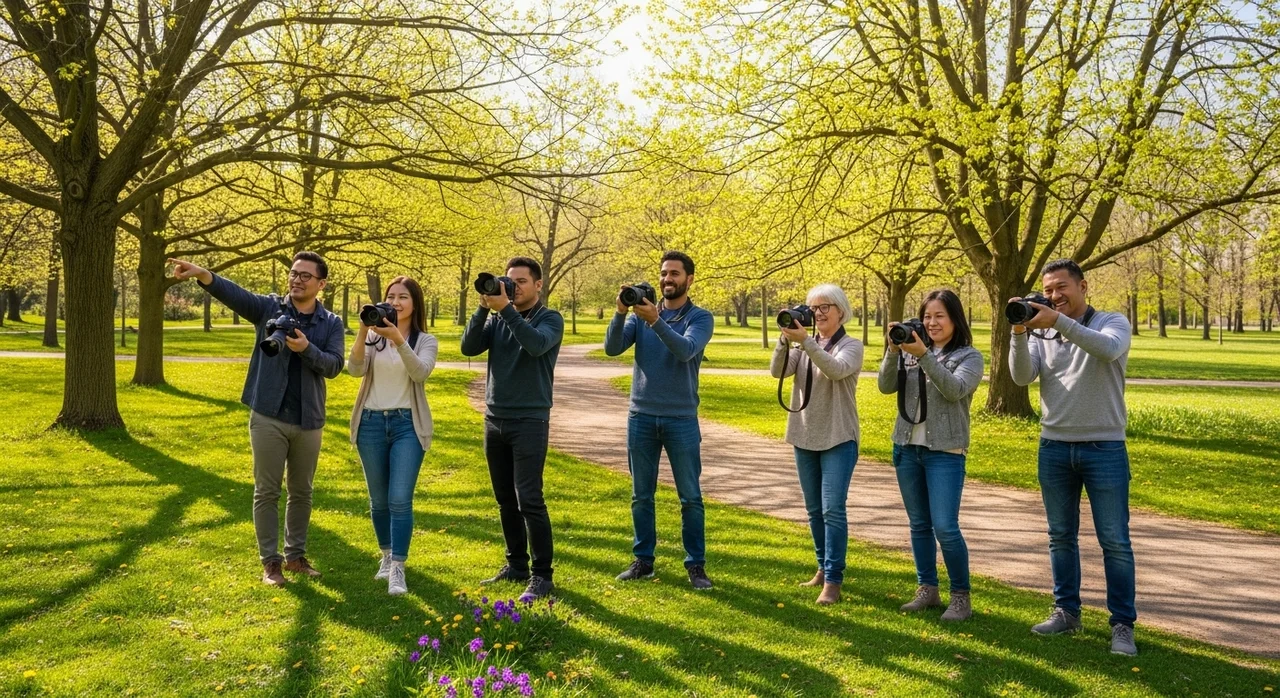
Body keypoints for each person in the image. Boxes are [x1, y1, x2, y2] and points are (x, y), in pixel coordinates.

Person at [168, 253, 345, 586]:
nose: (296, 280)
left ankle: (295, 557)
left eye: (306, 276)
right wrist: (203, 274)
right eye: (293, 273)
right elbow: (235, 294)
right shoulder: (269, 309)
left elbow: (334, 366)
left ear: (321, 284)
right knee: (266, 491)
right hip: (268, 415)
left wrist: (306, 348)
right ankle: (271, 563)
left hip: (309, 420)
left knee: (302, 492)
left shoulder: (331, 323)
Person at [1010, 259, 1138, 656]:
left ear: (1083, 286)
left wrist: (1057, 322)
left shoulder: (1111, 322)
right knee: (1059, 536)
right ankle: (1066, 612)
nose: (1054, 296)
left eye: (1061, 287)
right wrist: (1019, 331)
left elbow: (1108, 349)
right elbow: (1019, 376)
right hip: (1054, 446)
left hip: (1105, 447)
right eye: (1048, 290)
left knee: (1114, 540)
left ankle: (1122, 625)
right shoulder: (1041, 333)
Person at [604, 251, 716, 589]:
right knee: (641, 495)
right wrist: (621, 311)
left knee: (690, 497)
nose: (668, 279)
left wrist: (655, 320)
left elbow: (684, 350)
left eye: (675, 274)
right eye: (664, 274)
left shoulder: (700, 317)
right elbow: (611, 348)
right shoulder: (640, 317)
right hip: (641, 415)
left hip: (681, 418)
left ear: (689, 279)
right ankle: (643, 561)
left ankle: (695, 565)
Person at [460, 257, 564, 603]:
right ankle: (516, 564)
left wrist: (505, 309)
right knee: (505, 500)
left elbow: (534, 344)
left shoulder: (550, 318)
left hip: (530, 421)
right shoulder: (498, 318)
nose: (514, 287)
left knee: (530, 500)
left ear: (538, 285)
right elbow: (469, 347)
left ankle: (542, 576)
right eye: (510, 280)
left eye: (521, 281)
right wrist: (481, 308)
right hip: (495, 418)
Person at [878, 289, 983, 620]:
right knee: (919, 524)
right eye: (926, 316)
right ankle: (927, 589)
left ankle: (961, 596)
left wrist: (924, 355)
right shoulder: (910, 351)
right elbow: (884, 386)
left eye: (939, 316)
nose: (931, 322)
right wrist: (893, 350)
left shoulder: (969, 356)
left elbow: (954, 390)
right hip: (907, 447)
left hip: (945, 451)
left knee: (945, 527)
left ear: (955, 319)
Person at [770, 284, 864, 605]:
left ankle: (834, 580)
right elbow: (776, 372)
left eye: (825, 307)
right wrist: (785, 341)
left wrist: (806, 342)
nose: (819, 313)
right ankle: (823, 568)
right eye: (814, 308)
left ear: (841, 311)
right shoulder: (802, 346)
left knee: (832, 509)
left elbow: (835, 369)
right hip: (804, 435)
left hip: (839, 436)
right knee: (814, 511)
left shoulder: (852, 345)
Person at [348, 276, 439, 596]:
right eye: (390, 296)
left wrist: (399, 339)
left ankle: (398, 568)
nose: (396, 302)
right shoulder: (373, 340)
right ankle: (386, 556)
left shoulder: (425, 340)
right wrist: (363, 330)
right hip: (370, 423)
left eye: (403, 297)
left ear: (415, 303)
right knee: (379, 499)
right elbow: (355, 370)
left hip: (406, 426)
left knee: (400, 498)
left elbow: (420, 372)